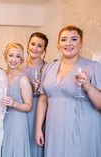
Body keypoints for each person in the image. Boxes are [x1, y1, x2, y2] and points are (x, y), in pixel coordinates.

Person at [35, 25, 101, 157]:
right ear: (58, 44)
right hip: (54, 128)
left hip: (83, 128)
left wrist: (87, 86)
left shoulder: (94, 67)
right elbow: (43, 100)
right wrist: (38, 129)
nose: (68, 43)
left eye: (74, 39)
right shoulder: (48, 68)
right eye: (64, 39)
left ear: (81, 43)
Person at [1, 43, 33, 157]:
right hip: (1, 120)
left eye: (18, 56)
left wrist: (14, 103)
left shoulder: (23, 79)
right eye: (11, 55)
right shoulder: (0, 75)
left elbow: (29, 106)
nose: (14, 59)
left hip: (17, 121)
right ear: (5, 57)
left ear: (21, 60)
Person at [22, 32, 48, 157]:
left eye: (39, 46)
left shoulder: (48, 68)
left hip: (38, 109)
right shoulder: (18, 65)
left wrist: (41, 88)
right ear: (28, 45)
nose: (35, 48)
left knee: (35, 142)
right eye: (33, 44)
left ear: (44, 50)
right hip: (20, 110)